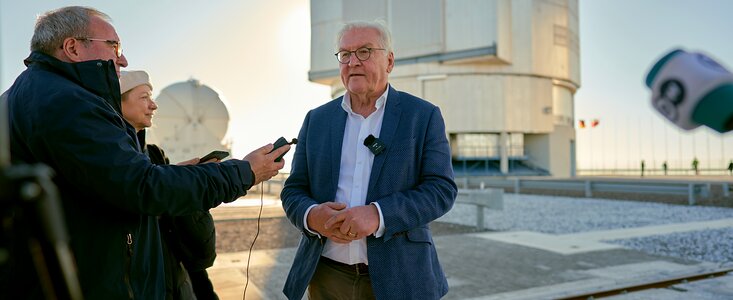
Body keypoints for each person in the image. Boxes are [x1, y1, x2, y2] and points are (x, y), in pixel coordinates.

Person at [2, 6, 289, 299]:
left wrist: (180, 173)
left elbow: (107, 182)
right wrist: (244, 172)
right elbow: (142, 188)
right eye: (114, 46)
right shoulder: (67, 101)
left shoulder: (26, 94)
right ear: (73, 47)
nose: (122, 59)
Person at [280, 20, 457, 300]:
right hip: (327, 277)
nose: (353, 62)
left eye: (364, 51)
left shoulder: (422, 116)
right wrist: (312, 216)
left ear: (389, 61)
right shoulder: (316, 120)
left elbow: (441, 190)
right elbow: (293, 190)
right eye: (345, 54)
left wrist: (378, 215)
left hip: (401, 276)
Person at [119, 70, 219, 299]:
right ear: (117, 103)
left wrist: (185, 181)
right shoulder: (113, 162)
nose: (153, 105)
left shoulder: (154, 155)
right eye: (144, 97)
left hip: (178, 277)